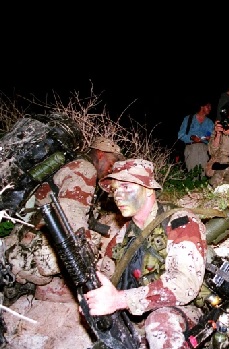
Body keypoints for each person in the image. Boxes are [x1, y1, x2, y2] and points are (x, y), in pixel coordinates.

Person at [85, 159, 207, 349]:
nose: (118, 195)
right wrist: (92, 299)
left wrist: (121, 299)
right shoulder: (123, 236)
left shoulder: (180, 222)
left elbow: (184, 285)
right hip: (139, 312)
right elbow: (106, 277)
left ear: (149, 189)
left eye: (126, 186)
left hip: (184, 309)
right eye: (115, 189)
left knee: (159, 323)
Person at [7, 137, 125, 299]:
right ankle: (18, 266)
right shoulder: (85, 169)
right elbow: (70, 212)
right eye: (112, 162)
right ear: (100, 154)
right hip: (31, 236)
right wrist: (88, 255)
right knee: (82, 251)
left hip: (28, 228)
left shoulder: (78, 165)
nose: (112, 169)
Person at [177, 98, 214, 172]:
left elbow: (210, 135)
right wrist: (191, 137)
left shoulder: (210, 122)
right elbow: (180, 135)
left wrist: (209, 138)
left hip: (204, 149)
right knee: (192, 173)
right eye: (208, 106)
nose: (210, 109)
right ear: (202, 106)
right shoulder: (189, 119)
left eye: (210, 107)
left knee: (204, 173)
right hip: (191, 148)